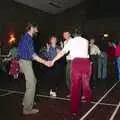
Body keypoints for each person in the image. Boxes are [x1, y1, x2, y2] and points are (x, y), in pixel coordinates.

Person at [48, 29, 92, 120]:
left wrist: (53, 60)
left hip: (76, 63)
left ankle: (74, 110)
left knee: (75, 87)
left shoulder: (71, 41)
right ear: (81, 34)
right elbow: (86, 53)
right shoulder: (86, 41)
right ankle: (88, 101)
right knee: (86, 85)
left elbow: (62, 52)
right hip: (86, 63)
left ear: (73, 35)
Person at [17, 22, 49, 115]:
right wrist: (45, 62)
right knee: (31, 84)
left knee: (33, 81)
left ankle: (25, 101)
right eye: (36, 28)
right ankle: (27, 109)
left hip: (24, 62)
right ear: (31, 28)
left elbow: (21, 51)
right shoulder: (28, 38)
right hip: (26, 62)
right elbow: (33, 55)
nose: (38, 30)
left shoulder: (25, 37)